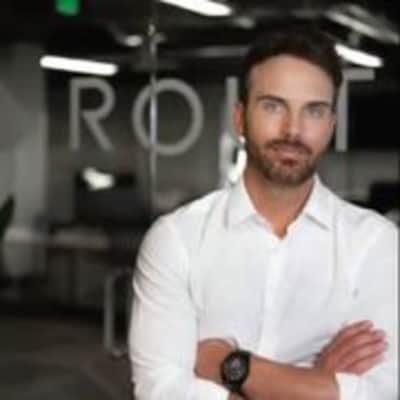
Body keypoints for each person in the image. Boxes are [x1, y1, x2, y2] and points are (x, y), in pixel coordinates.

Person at [129, 25, 398, 400]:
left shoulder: (376, 243)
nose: (293, 130)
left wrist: (230, 365)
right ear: (240, 118)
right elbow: (161, 392)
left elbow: (383, 392)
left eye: (314, 111)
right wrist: (315, 381)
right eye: (273, 106)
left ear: (331, 126)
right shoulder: (177, 239)